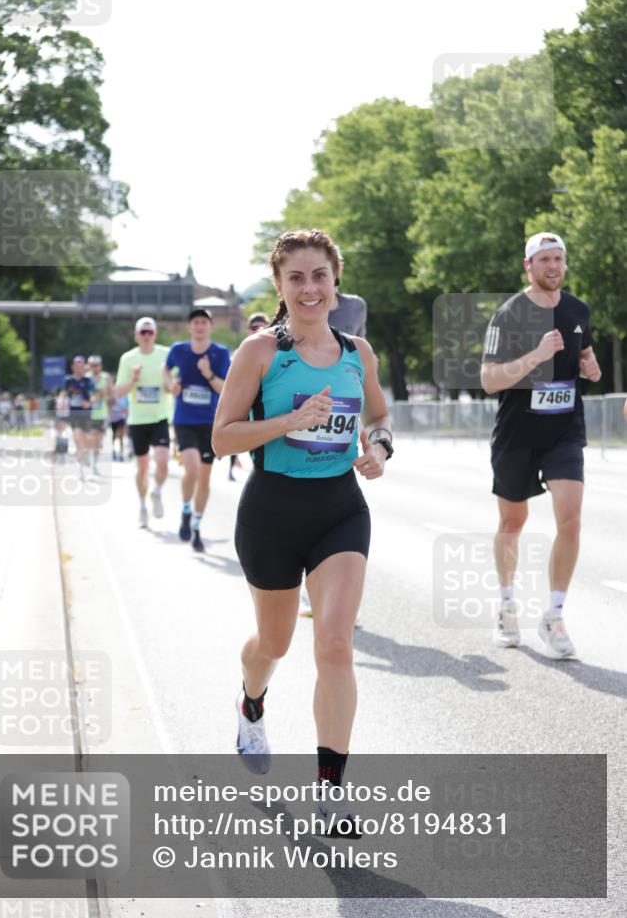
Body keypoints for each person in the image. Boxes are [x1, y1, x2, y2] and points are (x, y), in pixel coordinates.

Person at [212, 229, 393, 837]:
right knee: (275, 645)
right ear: (281, 286)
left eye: (320, 275)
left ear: (335, 282)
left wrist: (378, 447)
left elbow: (379, 415)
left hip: (340, 509)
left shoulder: (357, 351)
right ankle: (251, 700)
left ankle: (330, 793)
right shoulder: (260, 353)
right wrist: (291, 419)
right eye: (297, 278)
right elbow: (222, 437)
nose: (309, 288)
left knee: (336, 644)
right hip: (271, 514)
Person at [481, 232, 601, 659]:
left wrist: (590, 366)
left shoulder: (578, 310)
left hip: (564, 430)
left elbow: (586, 357)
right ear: (528, 266)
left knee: (570, 520)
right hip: (517, 432)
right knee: (513, 522)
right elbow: (490, 380)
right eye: (545, 259)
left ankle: (553, 615)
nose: (553, 266)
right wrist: (534, 356)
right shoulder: (509, 314)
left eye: (559, 259)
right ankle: (507, 605)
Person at [300, 251, 368, 618]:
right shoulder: (303, 305)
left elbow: (361, 354)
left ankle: (338, 597)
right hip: (305, 400)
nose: (312, 286)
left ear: (335, 274)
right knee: (306, 487)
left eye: (322, 274)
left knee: (336, 494)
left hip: (342, 403)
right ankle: (312, 585)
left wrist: (375, 440)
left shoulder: (356, 307)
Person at [164, 308, 231, 552]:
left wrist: (207, 373)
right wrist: (171, 385)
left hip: (209, 423)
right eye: (195, 322)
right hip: (184, 420)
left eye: (204, 322)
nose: (200, 326)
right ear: (189, 327)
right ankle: (185, 508)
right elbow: (166, 369)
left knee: (204, 478)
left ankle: (196, 526)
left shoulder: (220, 353)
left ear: (210, 327)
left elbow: (224, 388)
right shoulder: (178, 350)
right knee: (191, 469)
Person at [114, 317, 171, 528]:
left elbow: (173, 387)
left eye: (150, 332)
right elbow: (119, 391)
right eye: (143, 332)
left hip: (159, 417)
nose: (147, 336)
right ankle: (142, 506)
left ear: (155, 334)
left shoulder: (165, 355)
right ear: (136, 335)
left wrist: (167, 379)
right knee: (143, 467)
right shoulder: (128, 359)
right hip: (138, 420)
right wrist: (134, 379)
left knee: (163, 461)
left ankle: (156, 492)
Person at [229, 312, 270, 481]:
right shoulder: (242, 351)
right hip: (245, 401)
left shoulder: (277, 349)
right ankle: (231, 467)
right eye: (255, 328)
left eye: (263, 327)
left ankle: (258, 467)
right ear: (248, 330)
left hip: (265, 402)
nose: (259, 330)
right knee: (239, 434)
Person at [61, 356, 95, 475]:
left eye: (81, 367)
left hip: (86, 413)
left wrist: (89, 402)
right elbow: (64, 393)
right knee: (76, 436)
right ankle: (80, 462)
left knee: (85, 438)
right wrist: (61, 402)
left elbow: (94, 395)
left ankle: (84, 453)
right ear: (73, 367)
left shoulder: (88, 380)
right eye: (77, 367)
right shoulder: (68, 380)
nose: (79, 369)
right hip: (74, 413)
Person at [87, 355, 112, 476]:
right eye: (92, 365)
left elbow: (110, 393)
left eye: (96, 365)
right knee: (92, 438)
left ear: (100, 366)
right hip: (88, 415)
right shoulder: (85, 378)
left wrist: (104, 394)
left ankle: (94, 464)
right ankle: (90, 461)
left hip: (102, 414)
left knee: (99, 441)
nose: (94, 368)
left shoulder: (105, 377)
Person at [109, 389, 129, 461]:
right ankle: (114, 451)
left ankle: (121, 453)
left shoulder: (125, 396)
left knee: (121, 436)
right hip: (113, 418)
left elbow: (127, 407)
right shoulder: (112, 395)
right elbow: (108, 405)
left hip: (121, 418)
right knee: (114, 436)